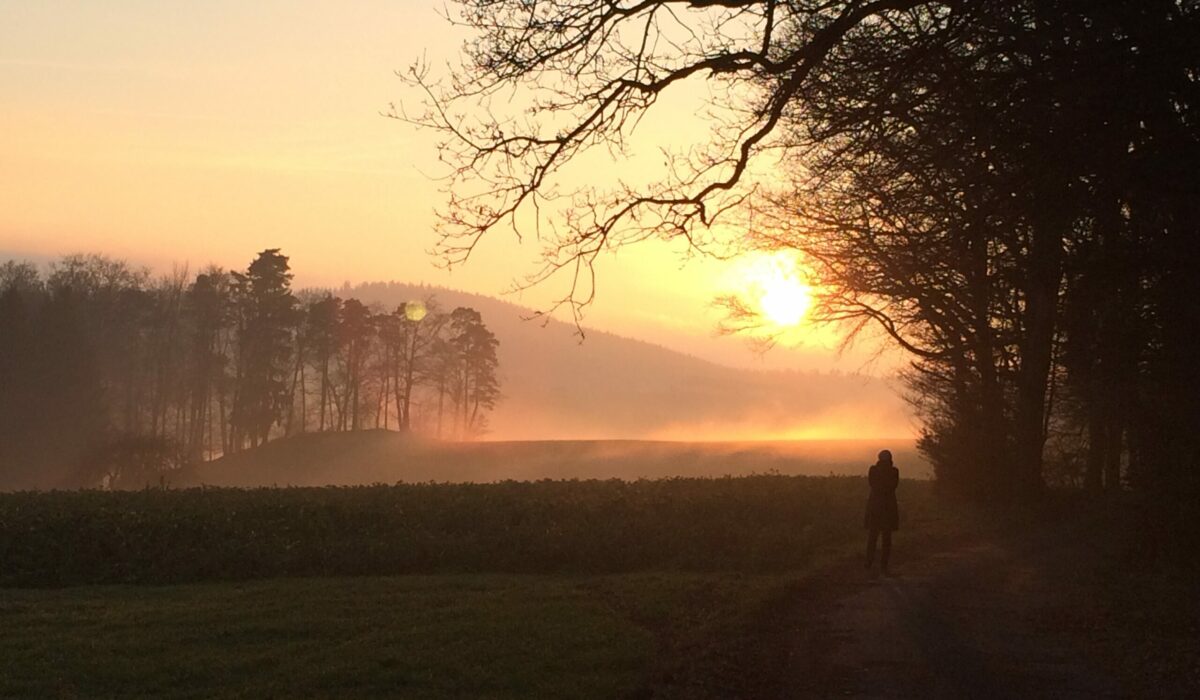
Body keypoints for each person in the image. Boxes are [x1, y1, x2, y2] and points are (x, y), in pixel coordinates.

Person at [864, 449, 900, 575]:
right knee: (886, 537)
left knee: (873, 536)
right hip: (888, 506)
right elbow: (893, 486)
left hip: (875, 505)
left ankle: (869, 563)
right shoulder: (894, 471)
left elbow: (873, 485)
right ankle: (883, 565)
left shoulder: (873, 470)